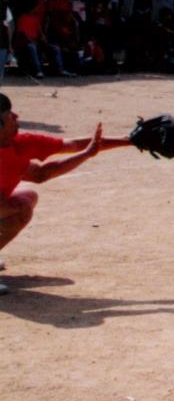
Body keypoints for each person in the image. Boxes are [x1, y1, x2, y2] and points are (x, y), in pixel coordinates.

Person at [0, 93, 138, 291]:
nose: (16, 116)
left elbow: (46, 169)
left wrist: (129, 141)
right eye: (9, 115)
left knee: (26, 199)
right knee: (17, 206)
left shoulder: (21, 144)